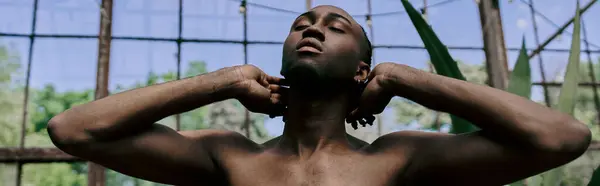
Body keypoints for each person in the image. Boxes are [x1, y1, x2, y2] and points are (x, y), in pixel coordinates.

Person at [47, 5, 591, 186]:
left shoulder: (398, 158)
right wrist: (223, 80)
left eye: (335, 25)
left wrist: (404, 77)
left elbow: (562, 138)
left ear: (362, 69)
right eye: (302, 23)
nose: (311, 28)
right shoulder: (228, 155)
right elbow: (74, 129)